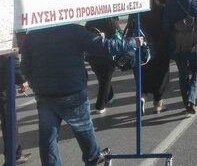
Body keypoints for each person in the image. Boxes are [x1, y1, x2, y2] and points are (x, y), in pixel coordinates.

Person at [22, 24, 143, 166]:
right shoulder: (73, 30)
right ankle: (93, 158)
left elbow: (26, 64)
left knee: (48, 138)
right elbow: (103, 47)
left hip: (44, 93)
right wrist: (132, 42)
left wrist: (34, 83)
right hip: (71, 90)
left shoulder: (33, 33)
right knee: (84, 130)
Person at [163, 0, 197, 114]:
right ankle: (191, 98)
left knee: (183, 73)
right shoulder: (194, 0)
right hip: (194, 42)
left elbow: (166, 27)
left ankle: (186, 100)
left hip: (178, 43)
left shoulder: (169, 4)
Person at [126, 0, 170, 114]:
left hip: (142, 49)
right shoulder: (162, 9)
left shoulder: (136, 11)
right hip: (160, 49)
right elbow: (167, 28)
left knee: (142, 75)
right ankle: (158, 103)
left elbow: (130, 28)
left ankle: (142, 97)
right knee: (160, 76)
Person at [85, 17, 120, 114]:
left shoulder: (90, 19)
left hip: (92, 55)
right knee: (104, 80)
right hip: (106, 54)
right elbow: (118, 34)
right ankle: (100, 105)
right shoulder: (110, 19)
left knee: (102, 78)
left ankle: (109, 96)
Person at [0, 56, 30, 165]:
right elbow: (11, 56)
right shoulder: (6, 38)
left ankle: (16, 154)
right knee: (9, 121)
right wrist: (23, 79)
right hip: (3, 84)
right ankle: (14, 156)